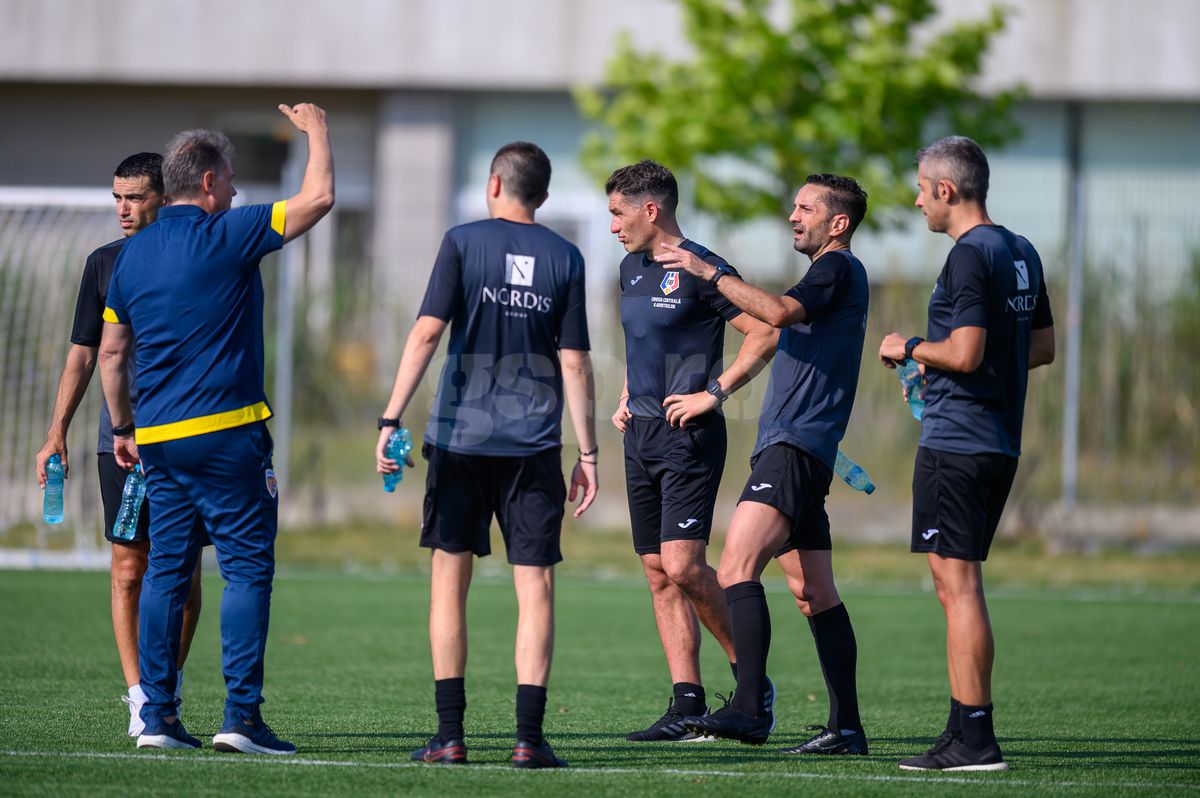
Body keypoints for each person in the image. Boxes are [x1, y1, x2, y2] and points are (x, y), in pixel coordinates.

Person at [98, 103, 334, 754]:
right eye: (229, 180)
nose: (235, 191)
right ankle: (241, 718)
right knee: (247, 571)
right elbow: (319, 197)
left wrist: (123, 426)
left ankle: (157, 720)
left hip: (158, 442)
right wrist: (316, 131)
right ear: (207, 182)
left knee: (166, 574)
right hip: (229, 435)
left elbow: (113, 353)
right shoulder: (229, 233)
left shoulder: (132, 255)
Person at [375, 141, 597, 769]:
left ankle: (450, 737)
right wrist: (590, 453)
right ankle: (528, 740)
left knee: (450, 583)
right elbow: (576, 361)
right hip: (533, 448)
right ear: (545, 196)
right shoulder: (567, 256)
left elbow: (426, 332)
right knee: (537, 587)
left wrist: (390, 417)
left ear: (494, 183)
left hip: (460, 440)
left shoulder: (462, 242)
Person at [656, 174, 871, 755]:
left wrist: (712, 273)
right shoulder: (828, 276)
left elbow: (774, 313)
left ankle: (750, 707)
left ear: (838, 223)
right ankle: (847, 728)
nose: (793, 216)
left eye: (806, 208)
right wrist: (717, 392)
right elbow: (777, 329)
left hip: (795, 448)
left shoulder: (837, 268)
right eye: (795, 206)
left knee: (735, 566)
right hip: (801, 445)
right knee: (813, 592)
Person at [879, 136, 1055, 772]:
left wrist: (911, 348)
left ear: (946, 191)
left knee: (959, 586)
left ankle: (975, 738)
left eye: (922, 188)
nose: (917, 199)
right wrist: (948, 372)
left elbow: (967, 352)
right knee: (954, 584)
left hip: (959, 441)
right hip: (995, 439)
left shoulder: (968, 256)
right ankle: (962, 727)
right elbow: (1039, 349)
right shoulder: (1021, 250)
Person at [34, 153, 207, 738]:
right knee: (129, 568)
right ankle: (140, 695)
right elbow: (85, 352)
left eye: (135, 197)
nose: (124, 210)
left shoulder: (199, 255)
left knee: (184, 579)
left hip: (187, 436)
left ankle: (166, 686)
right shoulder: (103, 264)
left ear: (164, 197)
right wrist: (56, 431)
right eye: (117, 198)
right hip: (122, 445)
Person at [606, 160, 779, 741]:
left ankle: (752, 687)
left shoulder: (705, 268)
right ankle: (686, 704)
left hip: (689, 438)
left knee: (683, 564)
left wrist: (714, 393)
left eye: (617, 213)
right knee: (658, 572)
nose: (612, 226)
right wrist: (630, 392)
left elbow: (766, 331)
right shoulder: (630, 268)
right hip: (642, 435)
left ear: (650, 210)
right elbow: (644, 343)